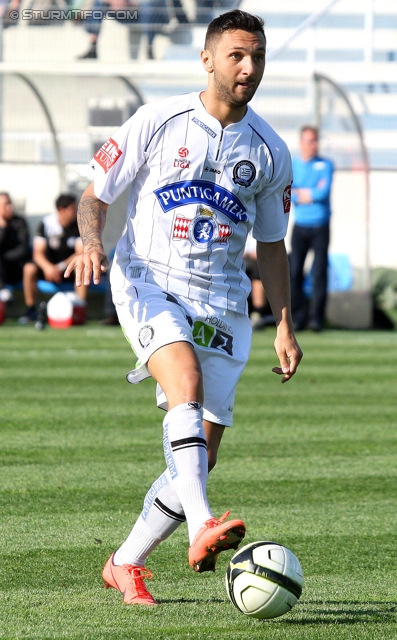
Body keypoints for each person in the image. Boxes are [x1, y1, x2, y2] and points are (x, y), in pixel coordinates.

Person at [65, 9, 302, 607]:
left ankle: (125, 563)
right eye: (237, 55)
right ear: (208, 58)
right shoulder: (159, 119)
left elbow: (271, 245)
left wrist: (283, 323)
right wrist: (91, 239)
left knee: (202, 454)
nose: (249, 68)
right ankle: (201, 527)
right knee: (184, 386)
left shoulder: (271, 152)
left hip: (222, 303)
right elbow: (94, 194)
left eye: (258, 57)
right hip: (148, 277)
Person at [289, 126, 334, 332]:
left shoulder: (325, 165)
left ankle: (317, 319)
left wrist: (307, 193)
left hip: (320, 225)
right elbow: (291, 192)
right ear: (301, 143)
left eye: (315, 141)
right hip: (300, 226)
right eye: (309, 141)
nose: (313, 145)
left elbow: (323, 192)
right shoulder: (293, 165)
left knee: (319, 272)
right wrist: (307, 194)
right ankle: (298, 317)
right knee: (294, 272)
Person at [19, 194, 87, 324]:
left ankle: (80, 310)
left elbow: (80, 252)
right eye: (73, 208)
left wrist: (59, 267)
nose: (76, 212)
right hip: (47, 270)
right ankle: (31, 310)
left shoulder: (79, 225)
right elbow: (38, 253)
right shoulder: (46, 224)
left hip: (68, 268)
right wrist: (48, 268)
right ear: (61, 209)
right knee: (29, 268)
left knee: (82, 267)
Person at [77, 0, 169, 60]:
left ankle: (150, 49)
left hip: (150, 12)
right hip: (128, 11)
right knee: (99, 3)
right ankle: (93, 47)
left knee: (149, 6)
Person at [0, 192, 30, 303]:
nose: (10, 207)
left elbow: (23, 250)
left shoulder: (19, 222)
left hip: (16, 267)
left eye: (10, 203)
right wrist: (2, 229)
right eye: (6, 204)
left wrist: (2, 258)